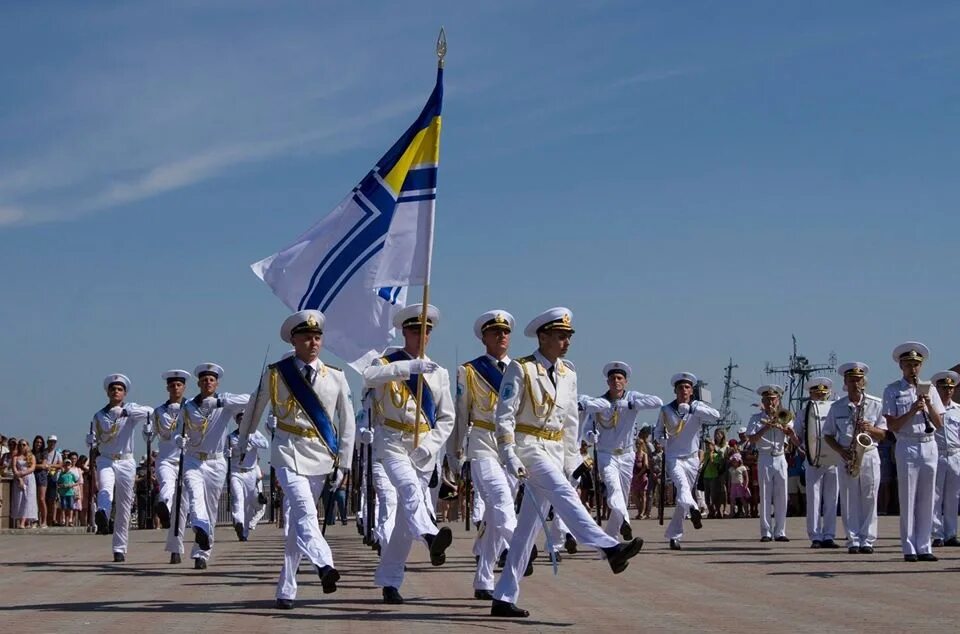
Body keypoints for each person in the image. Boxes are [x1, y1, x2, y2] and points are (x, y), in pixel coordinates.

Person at [491, 308, 643, 618]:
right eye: (560, 336)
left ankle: (503, 597)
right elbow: (503, 416)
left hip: (556, 449)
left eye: (569, 336)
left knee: (526, 530)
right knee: (563, 493)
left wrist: (576, 462)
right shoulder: (522, 369)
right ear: (543, 337)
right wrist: (508, 455)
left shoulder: (568, 374)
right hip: (528, 445)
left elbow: (570, 423)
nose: (566, 342)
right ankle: (608, 548)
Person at [240, 310, 355, 608]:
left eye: (317, 337)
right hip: (287, 451)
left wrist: (344, 462)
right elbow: (255, 408)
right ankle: (325, 564)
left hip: (321, 455)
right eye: (306, 337)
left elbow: (348, 422)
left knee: (297, 527)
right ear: (294, 340)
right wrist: (242, 442)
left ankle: (286, 588)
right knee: (304, 510)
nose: (313, 342)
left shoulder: (337, 376)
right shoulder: (277, 373)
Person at [362, 304, 455, 605]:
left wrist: (429, 447)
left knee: (403, 525)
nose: (421, 335)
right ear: (404, 331)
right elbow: (369, 376)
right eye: (415, 330)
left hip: (423, 448)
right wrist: (407, 368)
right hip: (392, 441)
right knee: (408, 489)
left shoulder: (438, 373)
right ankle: (430, 537)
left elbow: (447, 418)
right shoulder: (386, 362)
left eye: (426, 330)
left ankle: (389, 581)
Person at [447, 309, 527, 600]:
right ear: (484, 338)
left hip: (511, 446)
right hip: (481, 442)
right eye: (495, 332)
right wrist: (455, 453)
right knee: (500, 499)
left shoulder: (521, 370)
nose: (501, 336)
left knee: (495, 513)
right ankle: (520, 549)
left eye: (505, 332)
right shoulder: (469, 371)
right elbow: (460, 415)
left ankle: (483, 579)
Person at [580, 361, 662, 540]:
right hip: (605, 454)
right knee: (613, 488)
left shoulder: (632, 397)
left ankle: (608, 542)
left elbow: (657, 402)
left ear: (626, 381)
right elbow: (586, 429)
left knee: (622, 498)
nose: (616, 381)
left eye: (619, 378)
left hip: (626, 454)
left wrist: (631, 405)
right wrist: (590, 436)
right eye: (612, 378)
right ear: (607, 382)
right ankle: (625, 521)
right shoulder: (599, 403)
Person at [177, 363, 249, 569]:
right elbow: (178, 430)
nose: (208, 382)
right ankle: (199, 526)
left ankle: (202, 553)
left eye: (212, 379)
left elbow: (250, 400)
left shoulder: (224, 403)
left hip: (216, 462)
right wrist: (177, 441)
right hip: (193, 458)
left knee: (211, 506)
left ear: (216, 383)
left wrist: (225, 400)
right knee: (194, 493)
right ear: (199, 383)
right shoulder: (188, 406)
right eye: (204, 379)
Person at [882, 342, 945, 562]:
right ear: (901, 366)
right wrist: (912, 410)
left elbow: (939, 424)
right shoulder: (892, 390)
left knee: (928, 498)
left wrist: (928, 406)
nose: (913, 369)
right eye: (908, 364)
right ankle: (909, 546)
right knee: (908, 497)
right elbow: (892, 426)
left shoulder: (931, 389)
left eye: (916, 364)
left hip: (929, 444)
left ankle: (925, 545)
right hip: (907, 444)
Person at [86, 374, 153, 561]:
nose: (116, 391)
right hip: (106, 459)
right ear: (107, 392)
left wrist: (129, 411)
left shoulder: (130, 412)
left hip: (125, 461)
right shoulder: (99, 415)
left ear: (124, 393)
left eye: (119, 389)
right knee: (105, 487)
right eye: (113, 389)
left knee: (124, 504)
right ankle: (103, 515)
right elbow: (95, 438)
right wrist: (89, 441)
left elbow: (150, 412)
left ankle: (119, 548)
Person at [823, 362, 887, 554]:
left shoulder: (875, 404)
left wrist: (870, 429)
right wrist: (840, 451)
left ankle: (867, 540)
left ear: (864, 382)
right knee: (849, 499)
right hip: (847, 454)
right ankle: (852, 540)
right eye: (851, 380)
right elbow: (827, 434)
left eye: (858, 380)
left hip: (868, 454)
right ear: (845, 381)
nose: (855, 383)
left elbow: (883, 434)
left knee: (869, 497)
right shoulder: (837, 407)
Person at [655, 372, 721, 550]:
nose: (683, 390)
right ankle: (694, 509)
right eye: (680, 388)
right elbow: (658, 431)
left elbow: (716, 416)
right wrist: (661, 439)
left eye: (687, 387)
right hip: (674, 457)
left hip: (692, 458)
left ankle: (674, 535)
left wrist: (692, 409)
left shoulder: (698, 406)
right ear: (675, 391)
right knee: (683, 488)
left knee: (681, 500)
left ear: (691, 391)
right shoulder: (666, 410)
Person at [746, 384, 798, 542]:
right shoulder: (756, 419)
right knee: (765, 495)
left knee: (782, 496)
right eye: (767, 399)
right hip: (765, 457)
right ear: (762, 400)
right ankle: (766, 532)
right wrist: (765, 428)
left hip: (781, 457)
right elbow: (752, 439)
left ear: (778, 400)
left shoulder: (785, 416)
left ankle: (780, 531)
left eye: (773, 399)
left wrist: (785, 429)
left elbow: (793, 438)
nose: (770, 403)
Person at [796, 377, 839, 549]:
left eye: (823, 394)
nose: (820, 397)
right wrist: (803, 449)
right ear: (810, 394)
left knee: (832, 498)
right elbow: (797, 436)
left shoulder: (834, 410)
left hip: (833, 458)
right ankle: (815, 536)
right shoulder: (803, 412)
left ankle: (828, 535)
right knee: (813, 498)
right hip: (813, 458)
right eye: (817, 394)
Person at [148, 369, 191, 536]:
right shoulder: (159, 411)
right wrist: (147, 432)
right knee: (166, 483)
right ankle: (164, 506)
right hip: (166, 458)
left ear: (184, 387)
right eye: (172, 385)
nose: (175, 388)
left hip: (187, 460)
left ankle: (177, 543)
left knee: (184, 503)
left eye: (179, 385)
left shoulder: (192, 408)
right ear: (167, 388)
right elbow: (150, 436)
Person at [228, 415, 270, 542]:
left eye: (244, 418)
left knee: (247, 504)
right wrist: (227, 453)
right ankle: (238, 523)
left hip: (250, 473)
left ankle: (244, 533)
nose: (242, 421)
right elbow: (224, 453)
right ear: (236, 421)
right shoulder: (231, 437)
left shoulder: (254, 433)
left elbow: (266, 444)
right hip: (236, 472)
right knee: (238, 498)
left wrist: (251, 440)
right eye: (240, 419)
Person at [931, 371, 960, 547]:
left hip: (955, 454)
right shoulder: (931, 409)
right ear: (937, 389)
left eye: (950, 388)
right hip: (938, 453)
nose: (947, 391)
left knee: (953, 496)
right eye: (943, 388)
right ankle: (937, 534)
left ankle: (951, 533)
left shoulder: (958, 410)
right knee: (935, 496)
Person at [12, 440, 37, 528]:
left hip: (29, 478)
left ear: (27, 446)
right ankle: (20, 521)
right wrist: (19, 478)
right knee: (19, 499)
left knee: (28, 499)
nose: (22, 446)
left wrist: (22, 473)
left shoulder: (31, 456)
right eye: (20, 444)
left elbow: (32, 468)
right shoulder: (15, 457)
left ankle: (24, 521)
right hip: (18, 480)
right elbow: (14, 468)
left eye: (24, 444)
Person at [631, 430, 651, 519]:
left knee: (643, 494)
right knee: (635, 495)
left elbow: (646, 465)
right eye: (636, 444)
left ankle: (642, 513)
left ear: (642, 445)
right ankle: (639, 510)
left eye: (639, 444)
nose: (637, 445)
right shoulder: (634, 454)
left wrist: (639, 475)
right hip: (635, 476)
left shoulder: (644, 454)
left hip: (642, 476)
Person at [57, 458, 79, 526]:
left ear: (70, 466)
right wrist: (63, 485)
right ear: (64, 466)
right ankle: (63, 519)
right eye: (66, 465)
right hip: (63, 493)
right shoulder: (61, 474)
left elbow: (77, 482)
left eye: (68, 465)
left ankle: (70, 520)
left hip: (70, 493)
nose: (67, 466)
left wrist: (71, 485)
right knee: (63, 507)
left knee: (71, 507)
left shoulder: (72, 474)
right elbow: (58, 483)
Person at [727, 453, 749, 517]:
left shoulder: (743, 468)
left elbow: (746, 477)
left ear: (739, 461)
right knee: (732, 499)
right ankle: (732, 513)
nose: (734, 462)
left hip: (740, 485)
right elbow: (729, 479)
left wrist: (746, 485)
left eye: (735, 461)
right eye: (733, 461)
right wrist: (729, 487)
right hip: (733, 485)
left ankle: (746, 513)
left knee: (742, 499)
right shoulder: (730, 469)